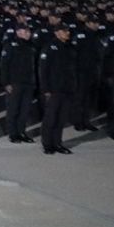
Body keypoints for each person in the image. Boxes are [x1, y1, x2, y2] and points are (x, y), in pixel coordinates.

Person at [38, 24, 78, 155]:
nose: (67, 33)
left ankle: (57, 143)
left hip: (67, 88)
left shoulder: (70, 47)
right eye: (64, 31)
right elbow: (43, 71)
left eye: (67, 31)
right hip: (53, 89)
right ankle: (47, 144)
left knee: (61, 118)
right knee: (51, 118)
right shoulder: (49, 48)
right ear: (56, 33)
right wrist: (46, 89)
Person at [0, 26, 38, 144]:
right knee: (13, 109)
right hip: (15, 83)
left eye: (29, 31)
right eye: (25, 31)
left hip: (28, 82)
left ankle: (21, 132)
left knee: (25, 110)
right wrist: (6, 83)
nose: (28, 33)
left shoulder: (31, 46)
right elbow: (4, 65)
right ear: (18, 32)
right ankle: (13, 133)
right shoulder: (11, 46)